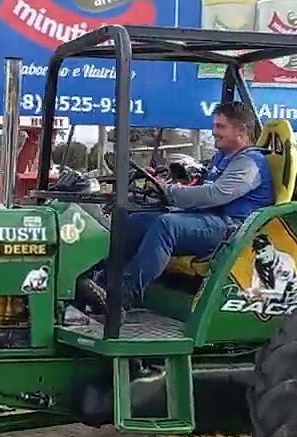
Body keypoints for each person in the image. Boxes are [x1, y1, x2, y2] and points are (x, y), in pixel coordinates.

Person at [116, 101, 274, 307]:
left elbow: (215, 194)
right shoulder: (223, 157)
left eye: (220, 127)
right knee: (135, 220)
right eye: (215, 125)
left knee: (167, 226)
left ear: (241, 130)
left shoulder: (250, 162)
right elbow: (202, 186)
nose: (214, 132)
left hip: (233, 228)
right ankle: (105, 282)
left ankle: (126, 294)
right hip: (209, 219)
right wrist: (170, 187)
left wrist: (170, 192)